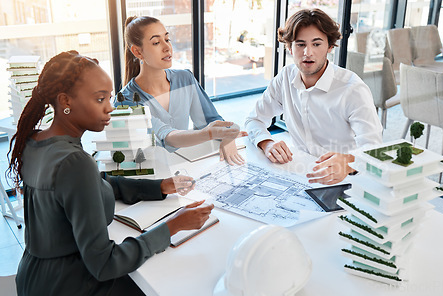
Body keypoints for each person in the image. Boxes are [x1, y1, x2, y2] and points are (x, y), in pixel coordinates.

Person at [7, 50, 214, 296]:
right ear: (65, 101)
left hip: (34, 279)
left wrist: (159, 187)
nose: (110, 107)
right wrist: (173, 226)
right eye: (99, 99)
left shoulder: (37, 141)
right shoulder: (74, 161)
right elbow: (105, 264)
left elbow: (94, 183)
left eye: (109, 97)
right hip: (71, 284)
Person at [245, 8, 383, 185]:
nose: (307, 53)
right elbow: (254, 119)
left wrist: (348, 162)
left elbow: (374, 150)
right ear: (289, 47)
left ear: (330, 46)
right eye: (300, 44)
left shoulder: (352, 89)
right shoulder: (286, 77)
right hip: (300, 173)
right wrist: (267, 142)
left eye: (316, 44)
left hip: (346, 179)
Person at [119, 16, 246, 165]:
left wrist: (225, 135)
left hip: (188, 167)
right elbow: (166, 136)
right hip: (153, 176)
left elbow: (209, 120)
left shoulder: (185, 78)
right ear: (137, 52)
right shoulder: (126, 100)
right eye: (156, 42)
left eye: (167, 39)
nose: (167, 48)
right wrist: (209, 134)